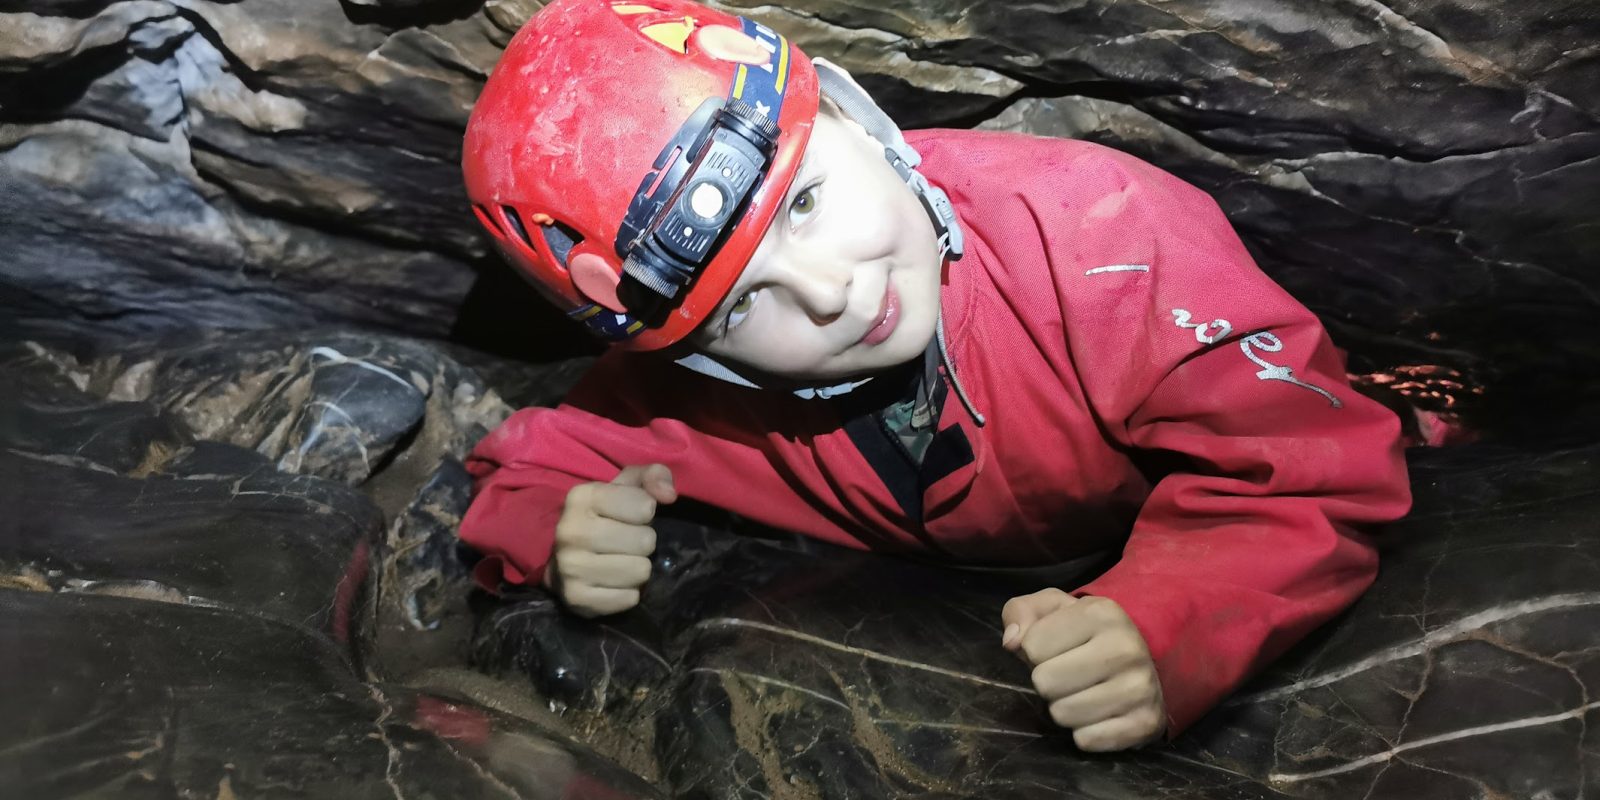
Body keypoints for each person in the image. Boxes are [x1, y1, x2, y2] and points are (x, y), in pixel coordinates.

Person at [457, 0, 1412, 752]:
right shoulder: (705, 399)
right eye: (742, 305)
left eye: (806, 202)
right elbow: (533, 460)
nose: (830, 292)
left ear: (857, 116)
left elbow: (1314, 459)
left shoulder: (1104, 242)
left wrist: (1174, 615)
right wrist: (561, 531)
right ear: (700, 358)